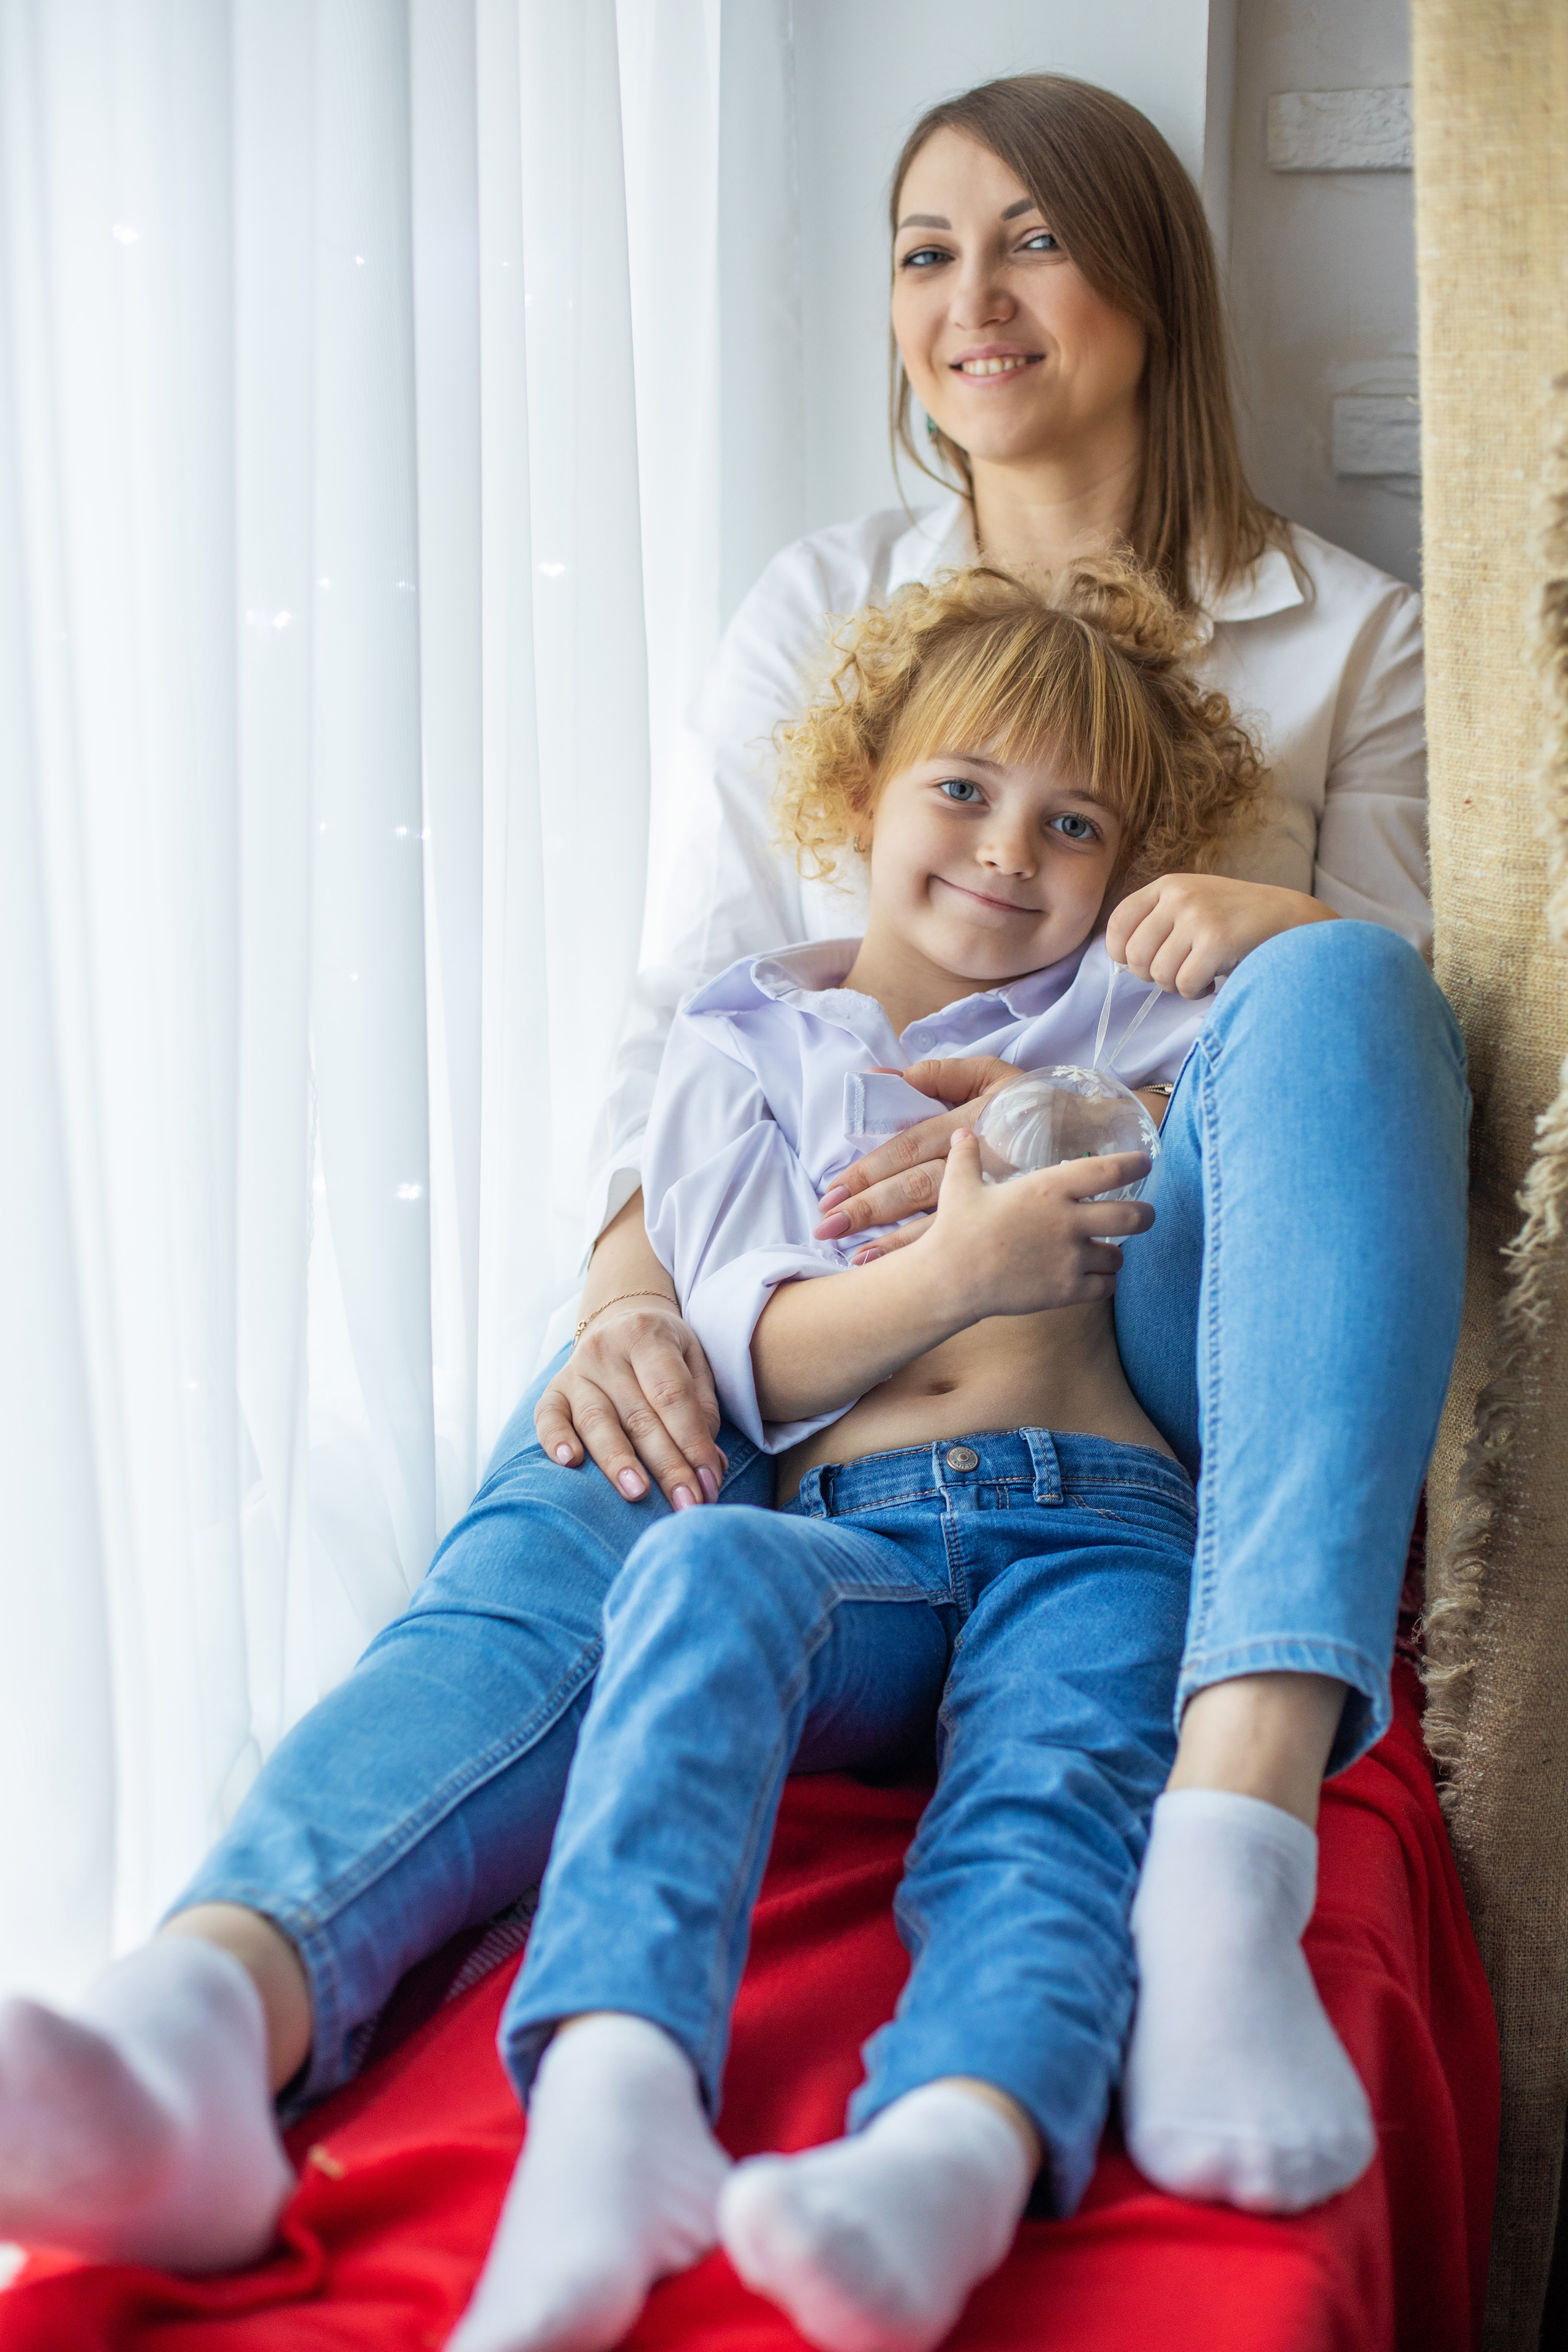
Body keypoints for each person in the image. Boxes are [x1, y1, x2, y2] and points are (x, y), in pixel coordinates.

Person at [0, 71, 1463, 2287]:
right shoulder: (830, 607)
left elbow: (1388, 1093)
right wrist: (624, 1300)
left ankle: (1234, 1831)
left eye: (1032, 240)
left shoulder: (1344, 631)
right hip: (829, 1266)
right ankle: (219, 1999)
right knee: (604, 1450)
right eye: (924, 252)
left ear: (1152, 280)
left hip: (1145, 1289)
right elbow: (694, 1010)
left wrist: (1267, 946)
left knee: (1358, 984)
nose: (972, 298)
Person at [448, 558, 1402, 2352]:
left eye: (1074, 824)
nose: (1007, 850)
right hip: (857, 1537)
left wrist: (1260, 930)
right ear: (856, 790)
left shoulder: (1124, 1012)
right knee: (694, 1568)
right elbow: (745, 1352)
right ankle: (612, 2099)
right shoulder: (742, 1052)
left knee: (1043, 1811)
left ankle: (952, 2149)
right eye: (961, 790)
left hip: (1103, 1531)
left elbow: (1349, 1106)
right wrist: (957, 1272)